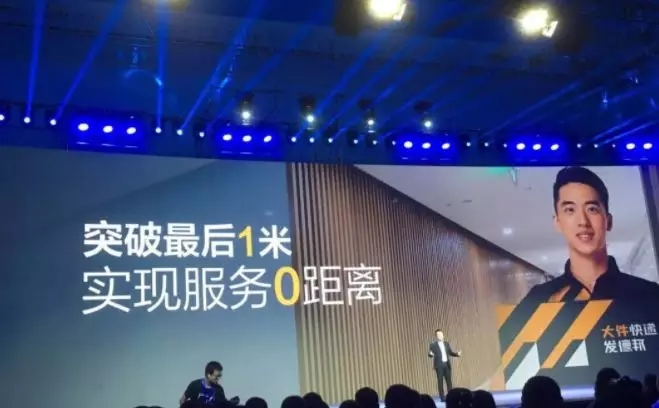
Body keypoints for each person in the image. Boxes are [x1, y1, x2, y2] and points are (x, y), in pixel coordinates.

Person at [428, 329, 461, 402]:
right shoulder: (433, 345)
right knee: (440, 382)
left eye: (441, 334)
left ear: (443, 335)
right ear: (436, 336)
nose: (440, 336)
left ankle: (451, 396)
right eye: (438, 335)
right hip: (439, 366)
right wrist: (431, 354)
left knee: (449, 381)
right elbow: (430, 354)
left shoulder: (446, 344)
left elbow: (450, 352)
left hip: (446, 365)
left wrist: (457, 354)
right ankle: (442, 398)